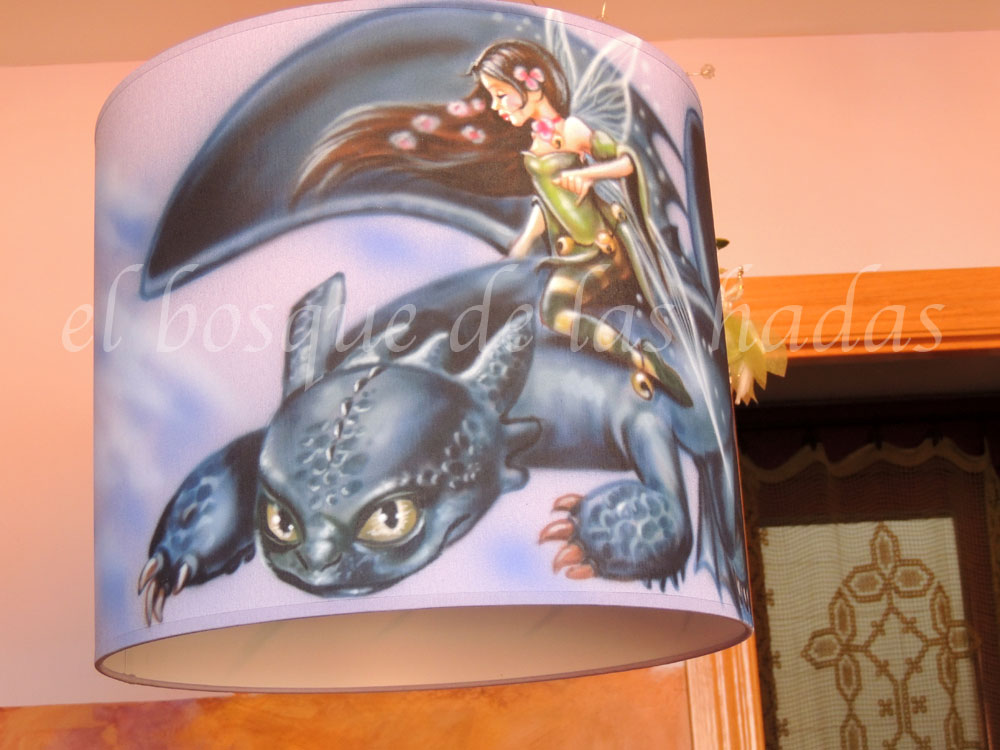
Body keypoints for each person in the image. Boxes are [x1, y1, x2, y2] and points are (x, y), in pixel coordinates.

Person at [294, 39, 689, 404]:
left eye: (501, 94)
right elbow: (548, 204)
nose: (497, 106)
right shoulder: (534, 144)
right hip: (574, 254)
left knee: (555, 310)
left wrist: (588, 174)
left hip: (604, 251)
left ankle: (643, 360)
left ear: (533, 86)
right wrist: (522, 245)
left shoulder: (572, 131)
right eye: (492, 97)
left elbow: (627, 161)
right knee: (553, 312)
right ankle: (638, 356)